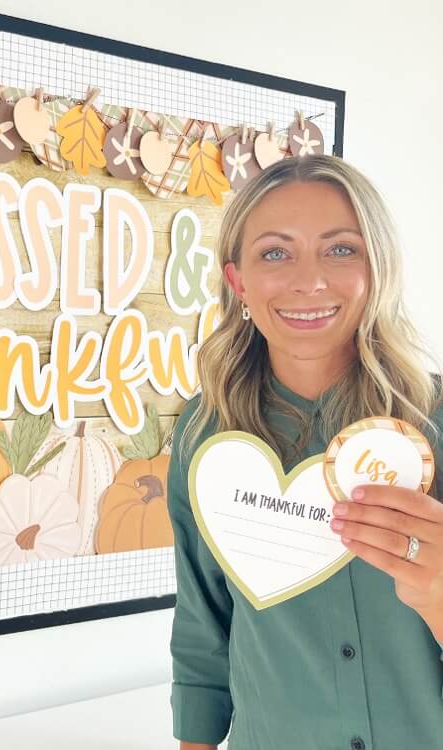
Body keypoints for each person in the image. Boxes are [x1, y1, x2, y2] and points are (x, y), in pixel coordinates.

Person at [167, 153, 443, 750]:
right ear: (238, 279)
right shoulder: (203, 434)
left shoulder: (434, 426)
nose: (309, 280)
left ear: (378, 268)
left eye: (341, 249)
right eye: (275, 252)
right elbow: (202, 628)